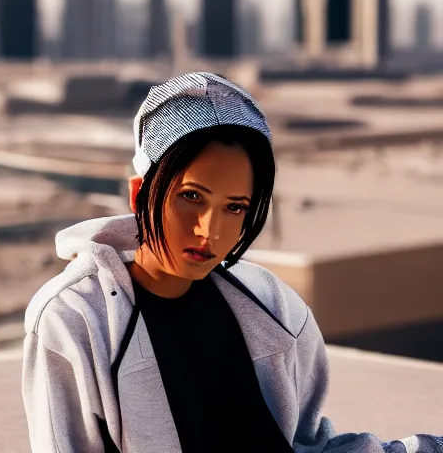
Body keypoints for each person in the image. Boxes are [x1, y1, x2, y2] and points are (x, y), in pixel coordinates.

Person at [22, 72, 442, 452]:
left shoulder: (273, 305)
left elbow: (306, 446)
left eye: (235, 207)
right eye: (191, 197)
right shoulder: (75, 321)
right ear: (139, 195)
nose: (211, 231)